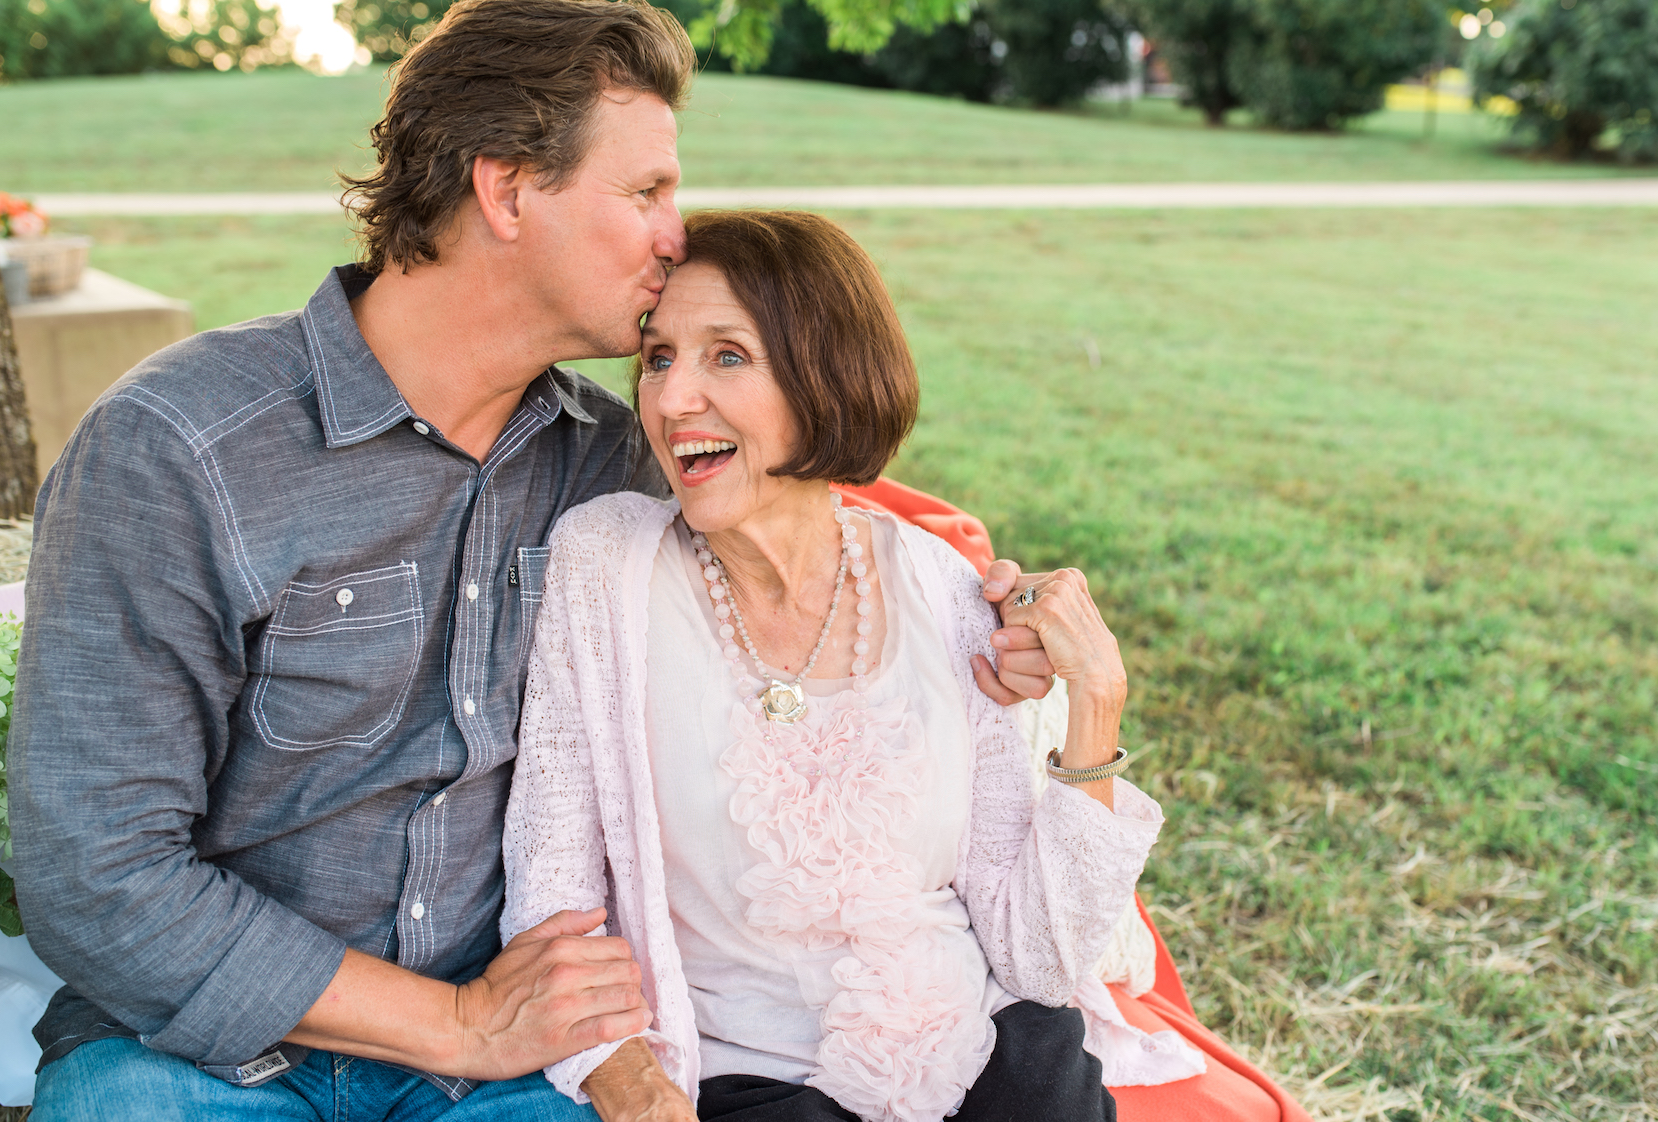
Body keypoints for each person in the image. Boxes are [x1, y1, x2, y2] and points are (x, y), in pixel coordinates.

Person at [6, 6, 1059, 1119]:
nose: (675, 234)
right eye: (646, 192)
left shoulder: (623, 468)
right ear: (506, 191)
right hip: (195, 1054)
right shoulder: (181, 450)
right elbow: (97, 880)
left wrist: (990, 612)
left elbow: (808, 535)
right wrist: (458, 1022)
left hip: (515, 1063)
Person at [501, 209, 1213, 1122]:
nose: (673, 400)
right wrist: (619, 1068)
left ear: (825, 376)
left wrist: (1097, 703)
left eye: (727, 356)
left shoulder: (945, 590)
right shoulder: (604, 569)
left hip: (989, 1053)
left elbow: (1037, 956)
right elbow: (552, 891)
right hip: (750, 1082)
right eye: (658, 357)